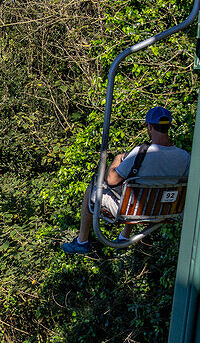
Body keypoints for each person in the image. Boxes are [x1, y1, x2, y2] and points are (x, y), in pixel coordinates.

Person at [62, 106, 191, 255]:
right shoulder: (185, 157)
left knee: (93, 188)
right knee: (136, 187)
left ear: (149, 126)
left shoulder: (141, 152)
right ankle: (124, 235)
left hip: (136, 211)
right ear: (168, 127)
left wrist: (118, 159)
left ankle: (82, 241)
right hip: (166, 210)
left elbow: (112, 180)